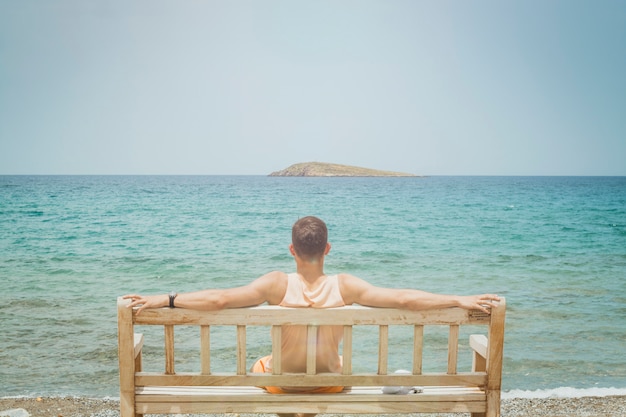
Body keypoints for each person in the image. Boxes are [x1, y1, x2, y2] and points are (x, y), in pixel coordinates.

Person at [124, 216, 500, 398]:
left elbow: (219, 300)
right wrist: (458, 299)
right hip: (330, 387)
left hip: (281, 387)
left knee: (263, 362)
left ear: (292, 250)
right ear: (327, 249)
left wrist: (166, 299)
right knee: (336, 363)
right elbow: (403, 299)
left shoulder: (276, 283)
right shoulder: (345, 285)